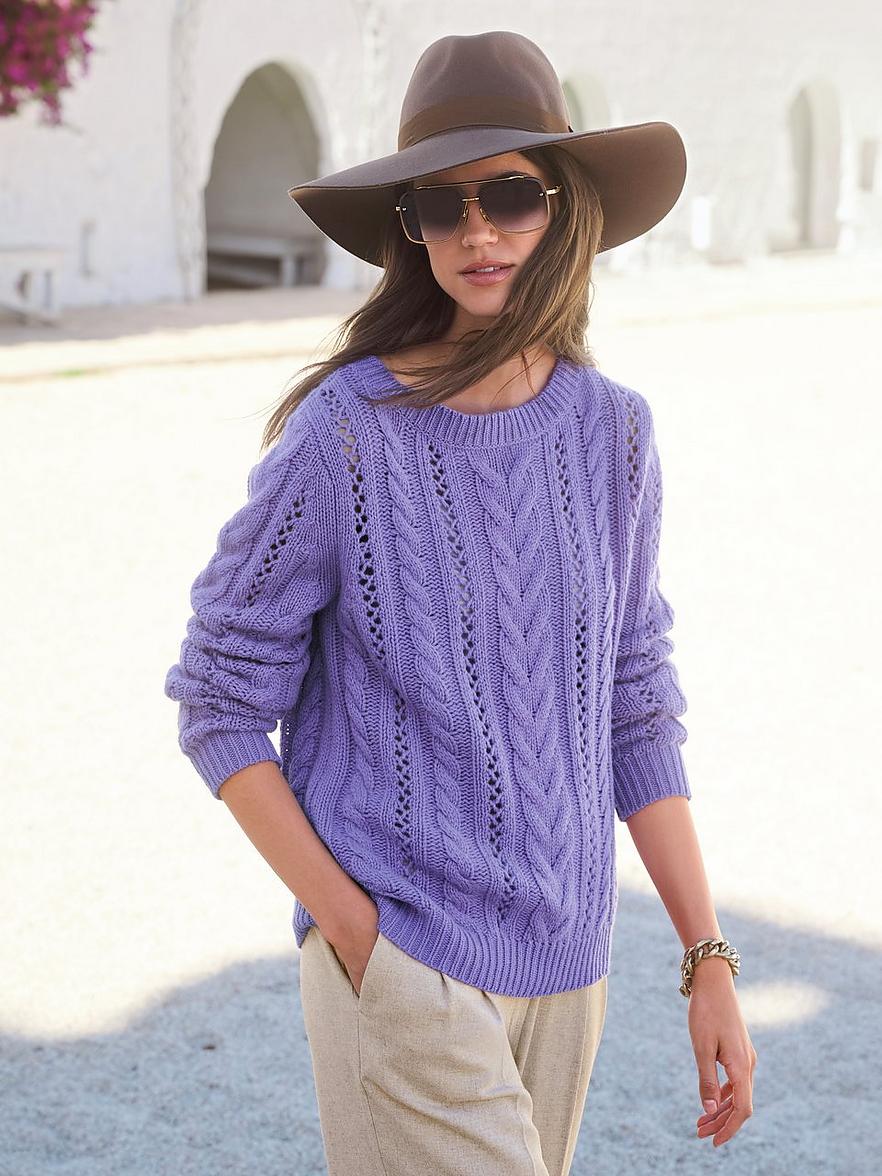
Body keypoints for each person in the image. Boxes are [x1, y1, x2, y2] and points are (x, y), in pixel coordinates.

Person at [164, 29, 757, 1176]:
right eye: (442, 205)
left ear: (564, 208)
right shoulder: (346, 435)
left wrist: (707, 958)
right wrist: (354, 931)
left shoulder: (614, 435)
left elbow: (635, 701)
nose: (478, 232)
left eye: (511, 195)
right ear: (411, 229)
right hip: (405, 965)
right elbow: (218, 696)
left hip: (570, 970)